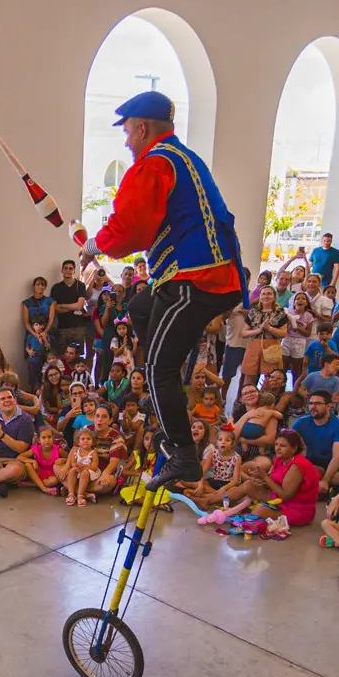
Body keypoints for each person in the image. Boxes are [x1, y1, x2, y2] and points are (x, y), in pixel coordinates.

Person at [80, 91, 247, 490]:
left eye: (127, 132)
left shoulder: (154, 165)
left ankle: (183, 455)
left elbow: (131, 229)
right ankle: (163, 375)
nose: (126, 141)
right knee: (138, 308)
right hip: (205, 275)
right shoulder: (184, 158)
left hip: (195, 277)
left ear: (141, 128)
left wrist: (94, 246)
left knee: (157, 369)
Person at [292, 390, 339, 495]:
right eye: (310, 403)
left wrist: (325, 481)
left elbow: (337, 457)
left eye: (317, 403)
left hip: (335, 467)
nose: (313, 407)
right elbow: (285, 442)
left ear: (328, 406)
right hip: (312, 463)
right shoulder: (302, 422)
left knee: (332, 480)